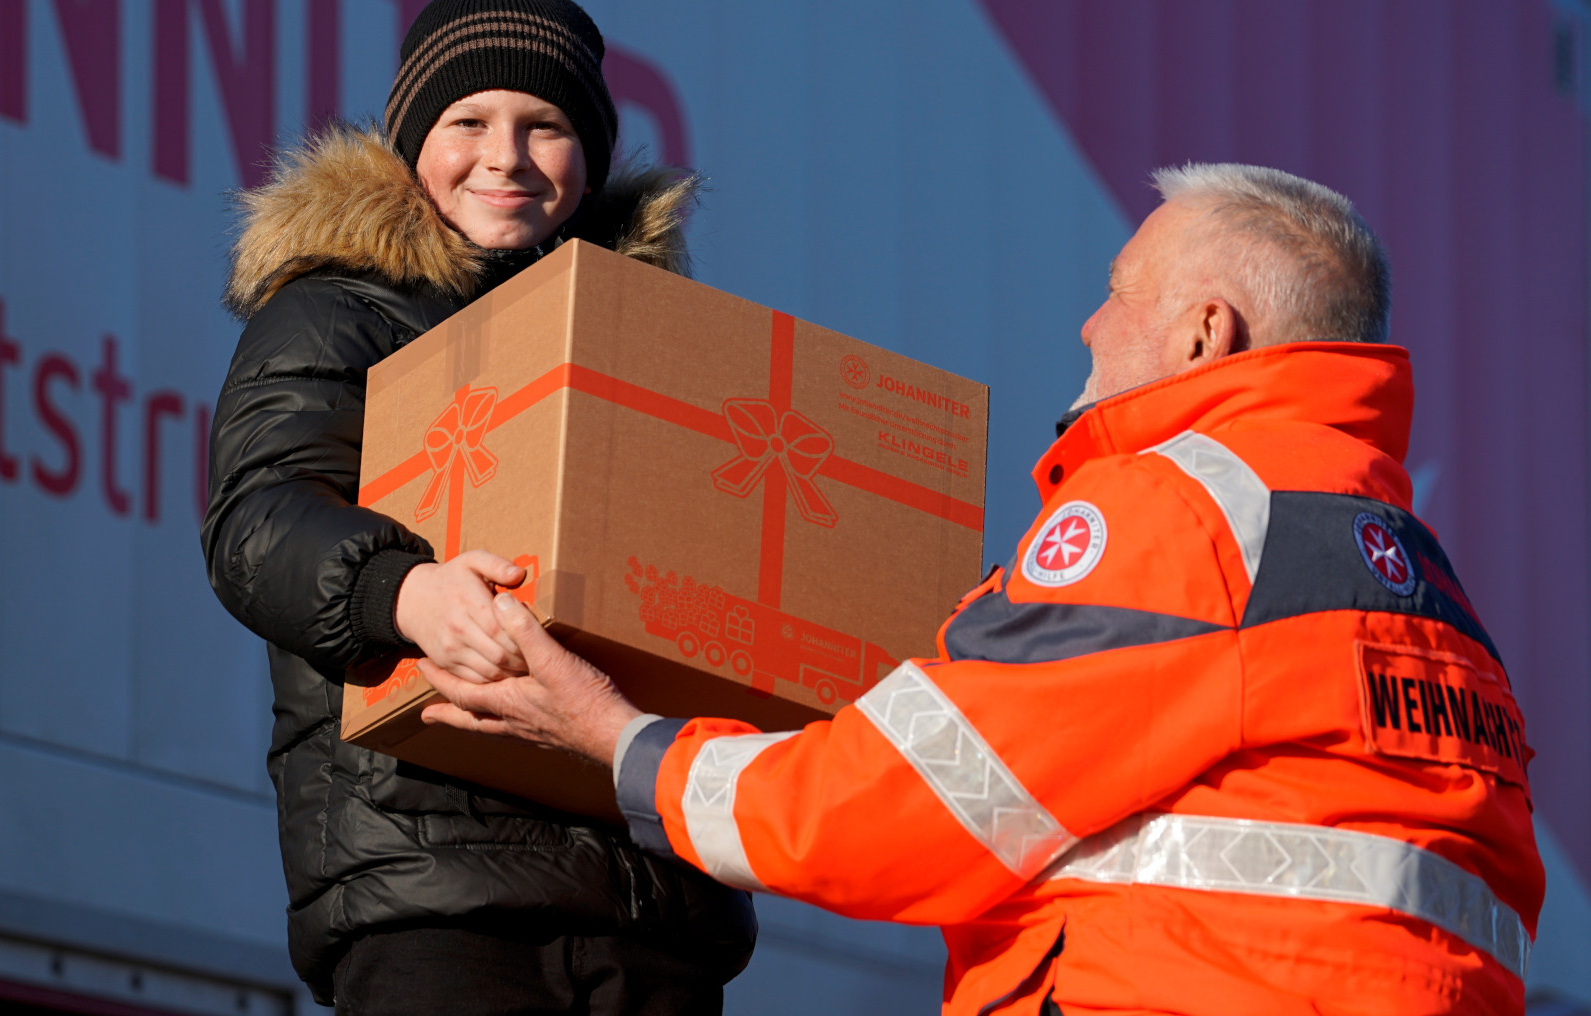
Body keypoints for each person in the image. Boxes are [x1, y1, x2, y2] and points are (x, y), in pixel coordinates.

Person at [420, 164, 1547, 1015]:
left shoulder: (1177, 509)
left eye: (1118, 292)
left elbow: (899, 805)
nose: (1090, 324)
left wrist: (623, 741)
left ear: (1208, 332)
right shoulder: (1426, 594)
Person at [202, 0, 754, 1016]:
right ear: (413, 139)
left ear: (589, 157)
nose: (505, 157)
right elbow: (257, 521)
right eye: (469, 120)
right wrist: (406, 598)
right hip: (433, 894)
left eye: (544, 125)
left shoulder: (650, 344)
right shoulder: (335, 314)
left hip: (652, 906)